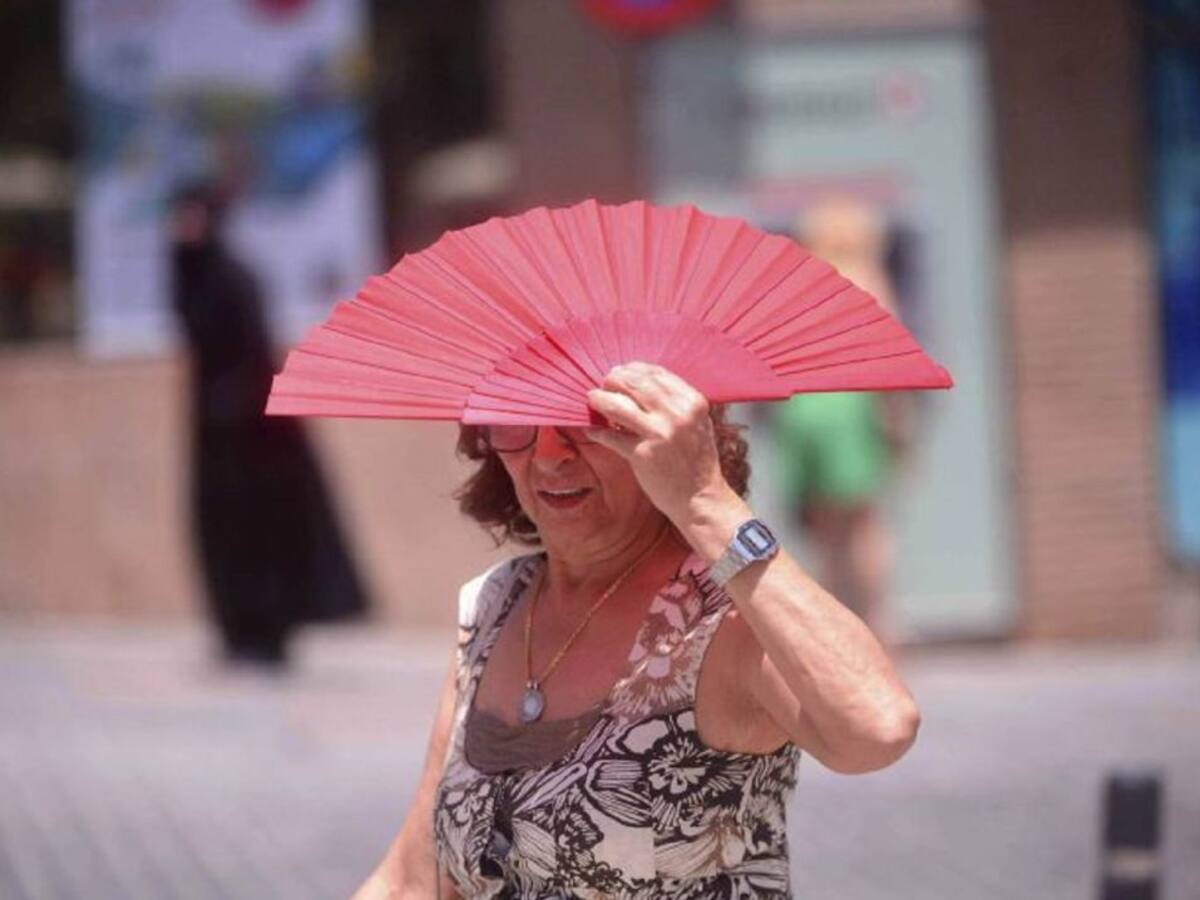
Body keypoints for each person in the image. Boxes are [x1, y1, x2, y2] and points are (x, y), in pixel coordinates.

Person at [352, 362, 920, 898]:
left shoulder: (720, 615)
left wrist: (707, 502)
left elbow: (878, 728)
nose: (550, 455)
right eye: (518, 415)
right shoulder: (493, 606)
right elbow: (412, 881)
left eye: (587, 419)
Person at [170, 183, 368, 669]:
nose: (184, 229)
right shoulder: (191, 277)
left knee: (260, 532)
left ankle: (268, 631)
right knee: (221, 532)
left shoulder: (236, 279)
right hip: (214, 436)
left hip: (254, 438)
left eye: (193, 216)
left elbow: (251, 357)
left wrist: (237, 409)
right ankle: (237, 631)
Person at [770, 198, 918, 643]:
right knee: (866, 524)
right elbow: (893, 362)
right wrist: (898, 425)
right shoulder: (869, 281)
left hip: (801, 408)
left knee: (824, 531)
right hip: (853, 408)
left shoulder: (800, 286)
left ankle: (831, 626)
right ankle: (877, 623)